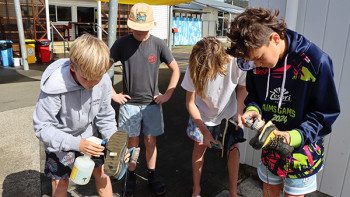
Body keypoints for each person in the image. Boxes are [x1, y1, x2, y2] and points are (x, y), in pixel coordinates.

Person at [226, 7, 340, 197]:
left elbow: (325, 114)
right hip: (269, 147)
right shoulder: (254, 61)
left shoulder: (315, 61)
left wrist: (291, 137)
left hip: (303, 150)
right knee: (268, 193)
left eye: (259, 58)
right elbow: (254, 95)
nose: (257, 66)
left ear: (275, 39)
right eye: (251, 61)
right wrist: (253, 108)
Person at [33, 34, 124, 196]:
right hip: (60, 139)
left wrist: (114, 142)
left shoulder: (102, 80)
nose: (93, 84)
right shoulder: (54, 86)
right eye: (87, 78)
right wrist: (76, 143)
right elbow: (42, 127)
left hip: (90, 137)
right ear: (73, 67)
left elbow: (105, 116)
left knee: (103, 175)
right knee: (61, 183)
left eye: (98, 78)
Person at [109, 3, 180, 196]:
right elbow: (102, 68)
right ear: (130, 25)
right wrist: (113, 94)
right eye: (136, 27)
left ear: (151, 24)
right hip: (129, 105)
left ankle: (151, 175)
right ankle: (131, 176)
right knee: (132, 143)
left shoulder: (158, 44)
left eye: (144, 27)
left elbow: (176, 69)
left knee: (150, 142)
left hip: (152, 104)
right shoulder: (121, 43)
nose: (140, 31)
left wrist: (167, 94)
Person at [181, 37, 247, 197]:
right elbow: (190, 103)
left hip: (228, 112)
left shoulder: (236, 62)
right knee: (199, 147)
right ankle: (196, 190)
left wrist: (240, 113)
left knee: (233, 148)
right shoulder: (195, 65)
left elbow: (242, 89)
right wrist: (204, 131)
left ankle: (233, 192)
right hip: (201, 113)